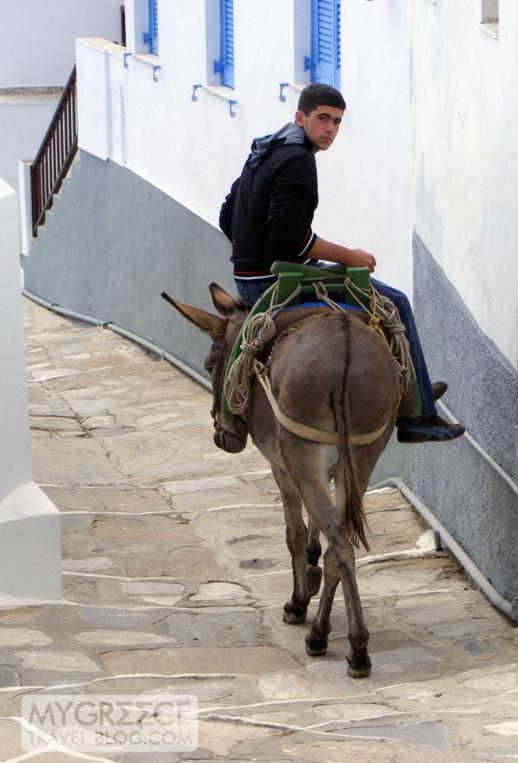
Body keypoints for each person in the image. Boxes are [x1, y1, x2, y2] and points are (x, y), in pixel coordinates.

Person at [219, 84, 464, 444]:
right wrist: (350, 257)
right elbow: (290, 237)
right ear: (300, 118)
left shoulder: (265, 150)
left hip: (251, 277)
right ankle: (418, 416)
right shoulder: (298, 161)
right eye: (322, 119)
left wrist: (253, 253)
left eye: (336, 121)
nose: (330, 129)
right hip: (275, 280)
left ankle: (419, 387)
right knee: (396, 303)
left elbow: (227, 216)